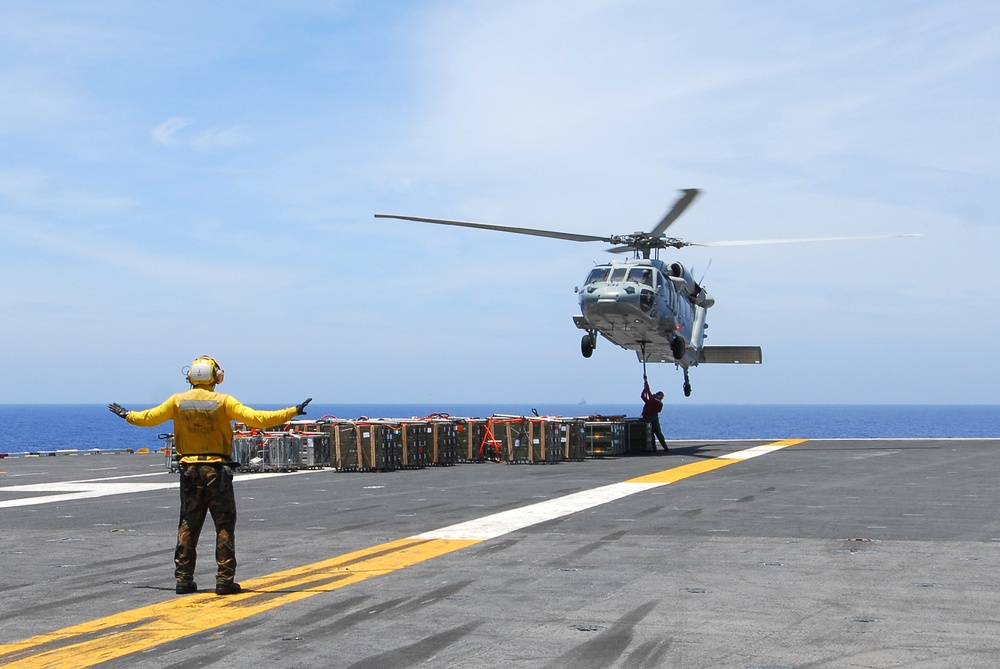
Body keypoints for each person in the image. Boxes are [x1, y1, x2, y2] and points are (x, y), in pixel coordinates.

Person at [109, 356, 311, 596]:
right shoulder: (223, 402)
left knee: (188, 525)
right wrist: (293, 411)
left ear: (191, 377)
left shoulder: (177, 401)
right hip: (216, 471)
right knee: (224, 525)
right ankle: (224, 581)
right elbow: (259, 418)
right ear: (216, 376)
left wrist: (127, 414)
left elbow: (147, 418)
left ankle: (183, 580)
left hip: (189, 471)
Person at [640, 376, 669, 452]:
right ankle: (665, 447)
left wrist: (646, 386)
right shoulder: (659, 403)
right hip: (655, 418)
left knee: (651, 433)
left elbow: (644, 396)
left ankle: (654, 447)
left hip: (648, 417)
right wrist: (646, 388)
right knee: (658, 433)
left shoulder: (652, 400)